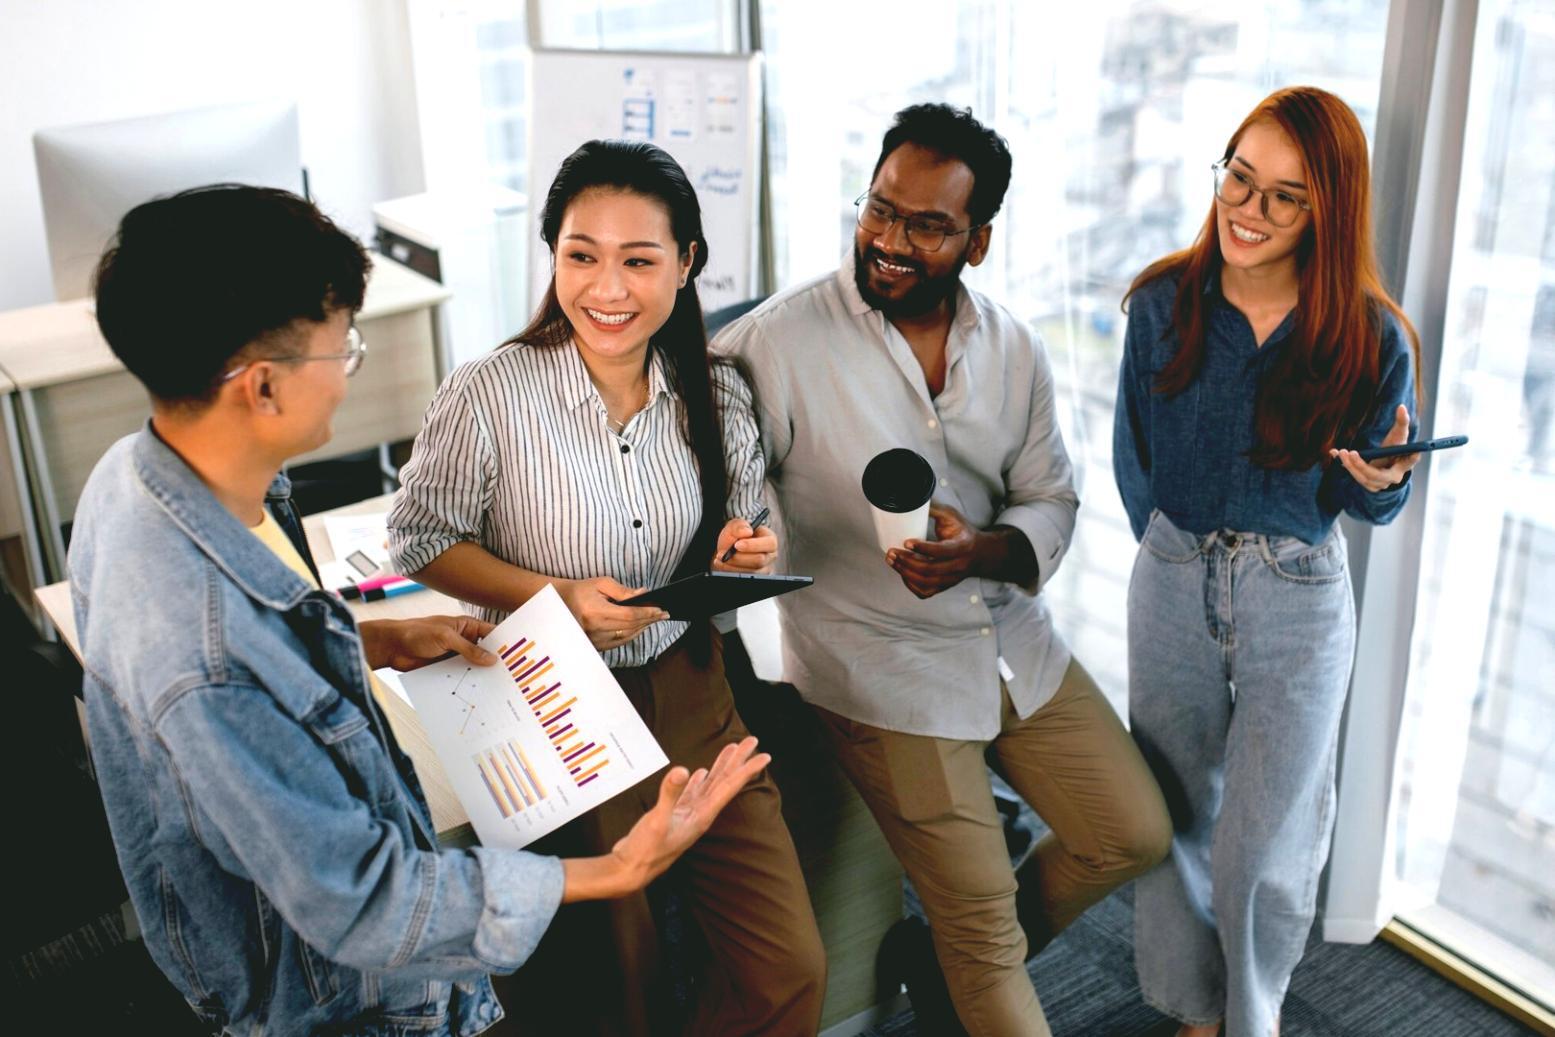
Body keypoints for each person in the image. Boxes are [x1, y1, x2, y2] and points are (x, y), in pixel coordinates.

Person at [71, 183, 771, 1037]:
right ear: (260, 388)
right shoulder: (204, 651)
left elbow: (264, 657)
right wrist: (618, 868)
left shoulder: (136, 477)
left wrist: (369, 638)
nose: (349, 374)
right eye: (343, 350)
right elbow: (364, 901)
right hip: (336, 1002)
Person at [714, 103, 1172, 1036]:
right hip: (880, 667)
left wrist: (983, 551)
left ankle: (939, 957)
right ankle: (968, 953)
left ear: (977, 241)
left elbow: (1050, 499)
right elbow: (728, 501)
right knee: (988, 941)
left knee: (1132, 832)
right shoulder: (771, 345)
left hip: (1006, 639)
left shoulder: (1013, 347)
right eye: (879, 210)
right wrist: (738, 536)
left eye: (926, 226)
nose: (888, 240)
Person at [388, 140, 826, 1036]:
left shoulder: (716, 390)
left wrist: (743, 549)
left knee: (786, 968)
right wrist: (551, 595)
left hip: (692, 691)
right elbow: (419, 538)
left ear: (687, 262)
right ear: (552, 256)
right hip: (549, 703)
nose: (608, 288)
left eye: (638, 259)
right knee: (612, 980)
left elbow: (740, 528)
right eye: (581, 255)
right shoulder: (490, 393)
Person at [1113, 86, 1423, 1037]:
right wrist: (1172, 553)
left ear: (1326, 210)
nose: (1248, 211)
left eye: (1284, 197)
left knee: (1264, 842)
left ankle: (1251, 1016)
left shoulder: (1369, 336)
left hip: (1297, 593)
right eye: (1238, 179)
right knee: (1170, 820)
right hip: (1172, 575)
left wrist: (1380, 478)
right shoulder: (1163, 303)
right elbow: (1137, 460)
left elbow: (1377, 494)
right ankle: (1191, 1011)